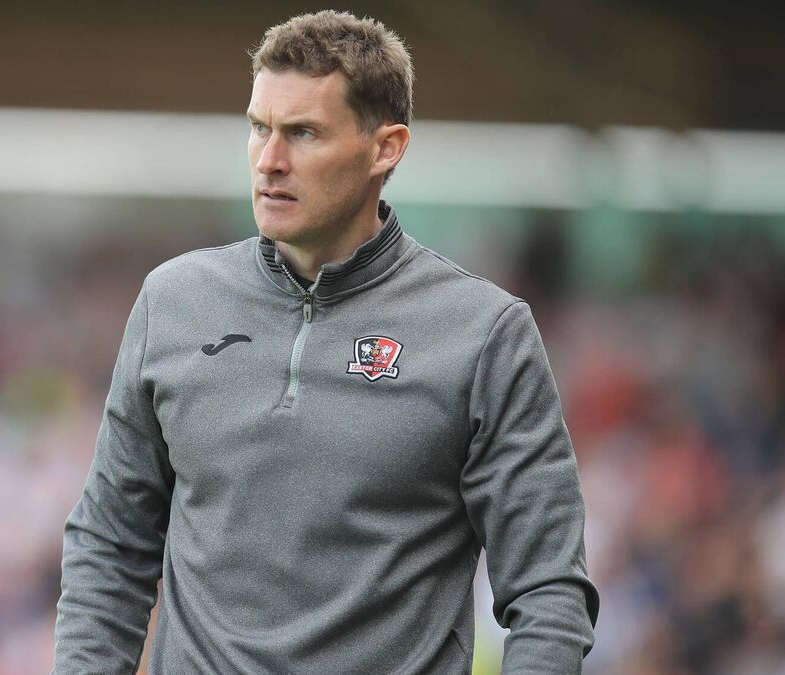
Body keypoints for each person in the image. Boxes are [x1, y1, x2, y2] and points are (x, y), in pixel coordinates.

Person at [53, 10, 598, 674]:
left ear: (385, 147)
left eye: (303, 133)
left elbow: (548, 589)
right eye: (259, 128)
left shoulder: (484, 333)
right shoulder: (173, 302)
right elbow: (109, 541)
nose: (270, 161)